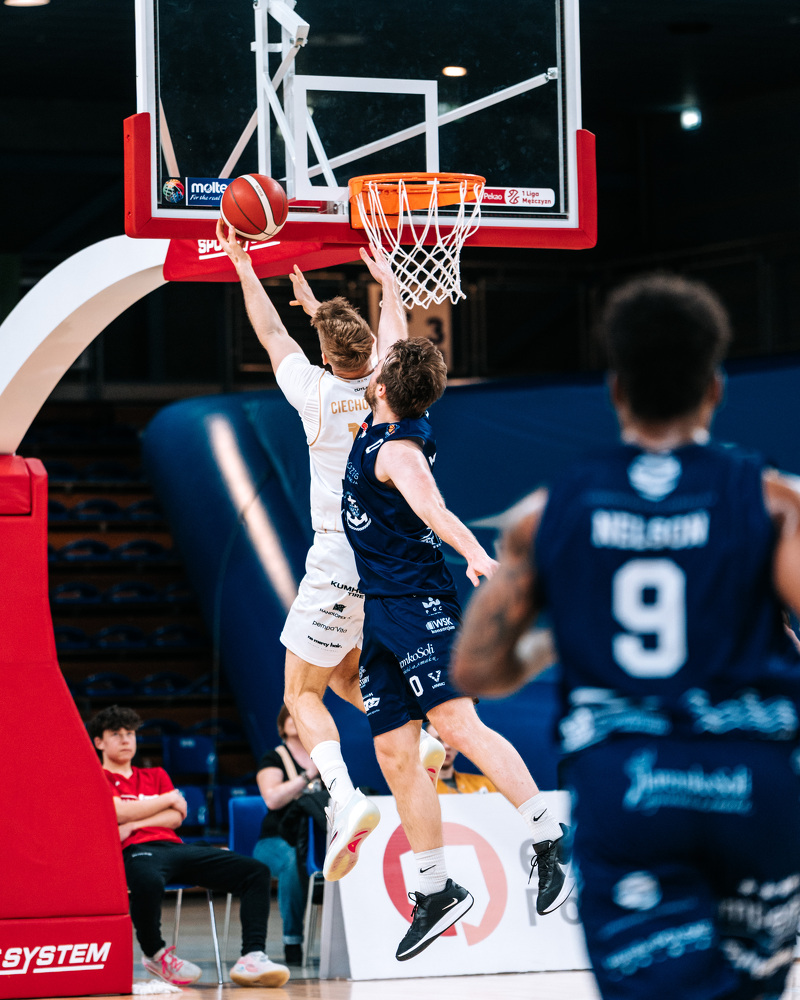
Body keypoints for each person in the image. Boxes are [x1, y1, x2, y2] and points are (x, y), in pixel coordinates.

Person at [451, 272, 800, 1000]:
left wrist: (564, 637)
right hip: (749, 777)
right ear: (715, 388)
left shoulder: (550, 511)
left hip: (628, 782)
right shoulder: (771, 502)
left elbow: (477, 671)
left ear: (616, 390)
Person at [217, 222, 444, 884]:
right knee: (347, 676)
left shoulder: (314, 394)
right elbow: (391, 328)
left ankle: (343, 799)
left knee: (300, 693)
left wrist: (243, 264)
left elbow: (271, 333)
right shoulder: (389, 389)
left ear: (325, 353)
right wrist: (388, 283)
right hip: (391, 564)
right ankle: (426, 738)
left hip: (339, 562)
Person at [341, 337, 573, 963]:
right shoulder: (383, 413)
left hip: (417, 605)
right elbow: (392, 341)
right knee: (394, 752)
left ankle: (550, 837)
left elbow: (435, 508)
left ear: (381, 387)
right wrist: (392, 291)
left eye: (381, 369)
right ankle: (436, 889)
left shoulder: (399, 450)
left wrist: (474, 554)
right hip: (382, 611)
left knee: (456, 726)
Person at [87, 705, 290, 989]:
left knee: (255, 871)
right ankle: (155, 953)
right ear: (99, 742)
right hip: (135, 850)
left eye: (130, 733)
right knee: (147, 880)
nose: (125, 740)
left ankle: (252, 956)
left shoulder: (155, 775)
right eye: (116, 734)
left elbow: (176, 816)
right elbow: (116, 811)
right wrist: (166, 800)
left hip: (173, 847)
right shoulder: (96, 777)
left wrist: (133, 822)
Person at [253, 705, 327, 966]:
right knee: (292, 860)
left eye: (301, 714)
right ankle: (292, 941)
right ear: (282, 724)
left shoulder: (324, 757)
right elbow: (272, 799)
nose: (296, 718)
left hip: (318, 840)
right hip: (275, 840)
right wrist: (308, 776)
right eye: (290, 715)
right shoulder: (273, 758)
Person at [424, 722, 496, 795]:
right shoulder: (420, 789)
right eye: (438, 740)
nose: (447, 746)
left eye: (450, 740)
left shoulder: (485, 785)